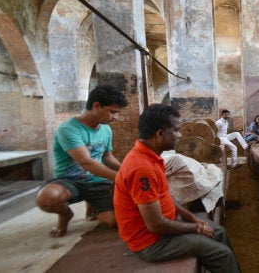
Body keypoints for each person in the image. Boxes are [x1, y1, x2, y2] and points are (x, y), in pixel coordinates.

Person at [114, 104, 240, 272]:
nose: (180, 135)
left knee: (220, 232)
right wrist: (197, 227)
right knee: (222, 254)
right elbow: (156, 225)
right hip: (151, 242)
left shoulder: (152, 157)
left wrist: (192, 218)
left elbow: (166, 197)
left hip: (167, 225)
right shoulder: (142, 168)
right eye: (176, 130)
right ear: (160, 134)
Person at [35, 85, 128, 237]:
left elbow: (107, 156)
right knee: (47, 198)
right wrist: (120, 178)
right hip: (70, 181)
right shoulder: (68, 129)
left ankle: (93, 204)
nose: (115, 117)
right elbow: (86, 162)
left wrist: (126, 170)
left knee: (113, 222)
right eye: (112, 112)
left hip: (98, 182)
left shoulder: (105, 129)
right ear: (96, 105)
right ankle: (65, 215)